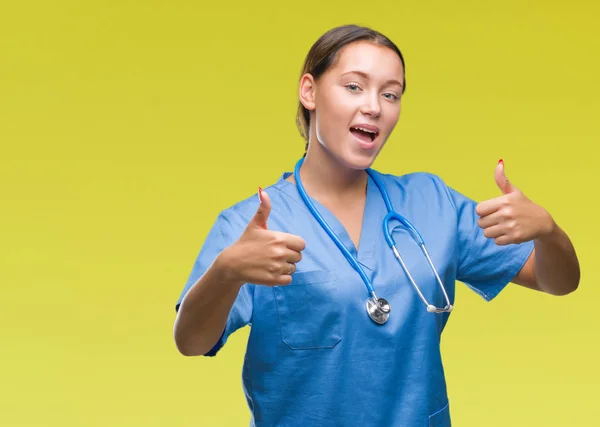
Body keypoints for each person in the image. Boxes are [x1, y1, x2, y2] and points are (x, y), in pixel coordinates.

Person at [173, 24, 580, 427]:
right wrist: (225, 272)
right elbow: (191, 342)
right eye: (354, 87)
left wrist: (548, 231)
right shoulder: (252, 224)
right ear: (309, 91)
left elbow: (558, 281)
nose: (374, 106)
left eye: (391, 94)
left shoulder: (431, 203)